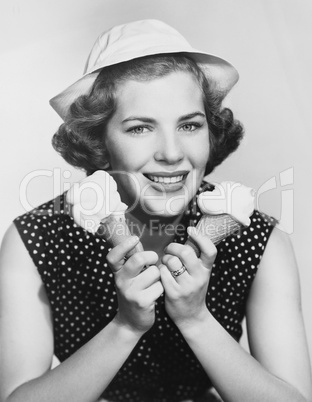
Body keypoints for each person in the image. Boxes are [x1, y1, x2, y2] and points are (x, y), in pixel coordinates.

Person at [0, 19, 311, 402]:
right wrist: (125, 326)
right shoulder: (36, 240)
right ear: (98, 139)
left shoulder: (260, 240)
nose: (171, 152)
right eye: (139, 128)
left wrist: (196, 319)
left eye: (190, 125)